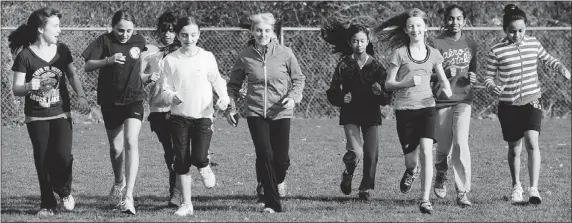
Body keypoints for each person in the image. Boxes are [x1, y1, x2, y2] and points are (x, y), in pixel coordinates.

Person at [484, 4, 571, 205]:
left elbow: (548, 59)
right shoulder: (496, 50)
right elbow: (488, 77)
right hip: (508, 104)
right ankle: (516, 186)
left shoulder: (533, 44)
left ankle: (534, 189)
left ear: (526, 28)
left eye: (521, 30)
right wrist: (491, 86)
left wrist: (562, 68)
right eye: (512, 31)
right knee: (515, 148)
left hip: (532, 99)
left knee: (532, 142)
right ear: (505, 30)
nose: (517, 35)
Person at [8, 7, 90, 217]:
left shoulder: (62, 50)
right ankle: (47, 204)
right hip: (36, 116)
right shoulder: (24, 56)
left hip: (61, 113)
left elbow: (72, 76)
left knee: (63, 156)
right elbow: (16, 89)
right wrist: (29, 86)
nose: (59, 30)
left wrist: (81, 96)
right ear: (40, 29)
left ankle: (64, 191)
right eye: (55, 26)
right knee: (42, 159)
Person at [374, 8, 453, 214]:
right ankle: (412, 170)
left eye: (418, 25)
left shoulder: (434, 53)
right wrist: (406, 82)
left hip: (427, 108)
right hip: (405, 110)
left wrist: (447, 87)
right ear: (406, 30)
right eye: (411, 26)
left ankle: (425, 199)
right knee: (411, 159)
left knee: (427, 150)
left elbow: (442, 77)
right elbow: (389, 84)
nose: (415, 29)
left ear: (425, 27)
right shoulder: (399, 53)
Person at [226, 12, 306, 213]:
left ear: (273, 32)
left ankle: (271, 182)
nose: (263, 34)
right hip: (254, 112)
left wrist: (293, 97)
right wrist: (231, 108)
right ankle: (271, 202)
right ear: (252, 31)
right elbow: (233, 85)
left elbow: (299, 79)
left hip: (280, 111)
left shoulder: (285, 53)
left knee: (281, 160)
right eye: (259, 30)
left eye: (267, 30)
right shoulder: (245, 56)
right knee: (264, 154)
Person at [155, 16, 230, 217]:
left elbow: (218, 81)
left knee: (197, 156)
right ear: (178, 36)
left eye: (193, 35)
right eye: (185, 35)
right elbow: (165, 89)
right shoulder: (170, 60)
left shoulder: (206, 57)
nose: (189, 39)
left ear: (199, 34)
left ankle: (204, 165)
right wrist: (172, 96)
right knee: (181, 160)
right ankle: (186, 204)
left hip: (203, 116)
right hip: (179, 117)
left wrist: (223, 98)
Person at [81, 9, 146, 214]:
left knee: (130, 141)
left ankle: (129, 196)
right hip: (110, 102)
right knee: (116, 149)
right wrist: (108, 60)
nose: (125, 34)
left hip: (134, 99)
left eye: (129, 30)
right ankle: (119, 182)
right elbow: (87, 65)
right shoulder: (104, 41)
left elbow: (149, 54)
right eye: (120, 30)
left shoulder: (139, 41)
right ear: (113, 27)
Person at [321, 18, 392, 200]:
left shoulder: (377, 67)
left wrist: (379, 93)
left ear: (367, 42)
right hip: (350, 114)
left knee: (371, 154)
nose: (358, 44)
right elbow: (332, 92)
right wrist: (341, 98)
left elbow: (387, 97)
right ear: (349, 43)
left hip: (371, 115)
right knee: (356, 152)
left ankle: (365, 189)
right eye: (355, 41)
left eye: (362, 41)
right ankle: (348, 173)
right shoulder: (344, 65)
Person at [430, 4, 477, 207]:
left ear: (464, 22)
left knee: (460, 144)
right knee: (443, 147)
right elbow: (427, 74)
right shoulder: (436, 44)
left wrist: (473, 77)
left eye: (459, 19)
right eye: (450, 18)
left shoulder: (471, 44)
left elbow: (473, 71)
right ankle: (441, 172)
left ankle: (462, 191)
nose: (454, 22)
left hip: (464, 100)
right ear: (445, 21)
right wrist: (441, 75)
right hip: (442, 100)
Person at [140, 11, 182, 208]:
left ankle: (176, 192)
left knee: (178, 149)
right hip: (158, 109)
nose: (167, 34)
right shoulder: (152, 56)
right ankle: (176, 189)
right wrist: (147, 78)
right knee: (169, 151)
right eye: (164, 30)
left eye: (172, 30)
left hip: (180, 108)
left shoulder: (184, 54)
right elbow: (137, 79)